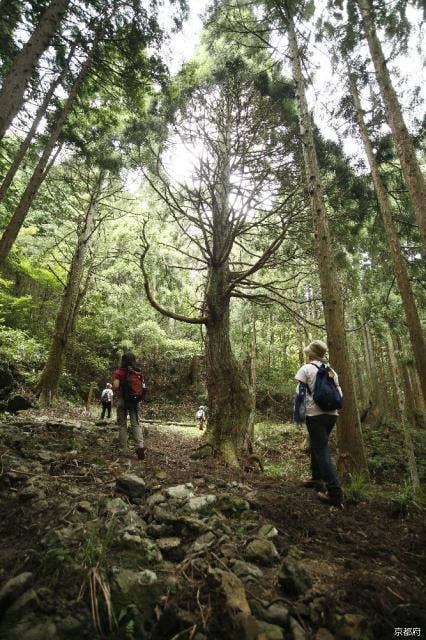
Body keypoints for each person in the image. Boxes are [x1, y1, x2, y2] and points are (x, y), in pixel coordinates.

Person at [295, 340, 344, 508]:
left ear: (311, 354)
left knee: (322, 451)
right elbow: (339, 393)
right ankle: (316, 479)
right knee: (318, 446)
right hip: (332, 415)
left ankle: (335, 493)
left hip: (314, 415)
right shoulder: (331, 371)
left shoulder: (306, 369)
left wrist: (299, 415)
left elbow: (299, 394)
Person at [114, 352, 145, 460]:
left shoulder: (119, 371)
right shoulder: (138, 371)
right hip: (134, 401)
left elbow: (116, 385)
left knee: (122, 424)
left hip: (123, 400)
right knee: (136, 424)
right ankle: (140, 446)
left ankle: (124, 450)